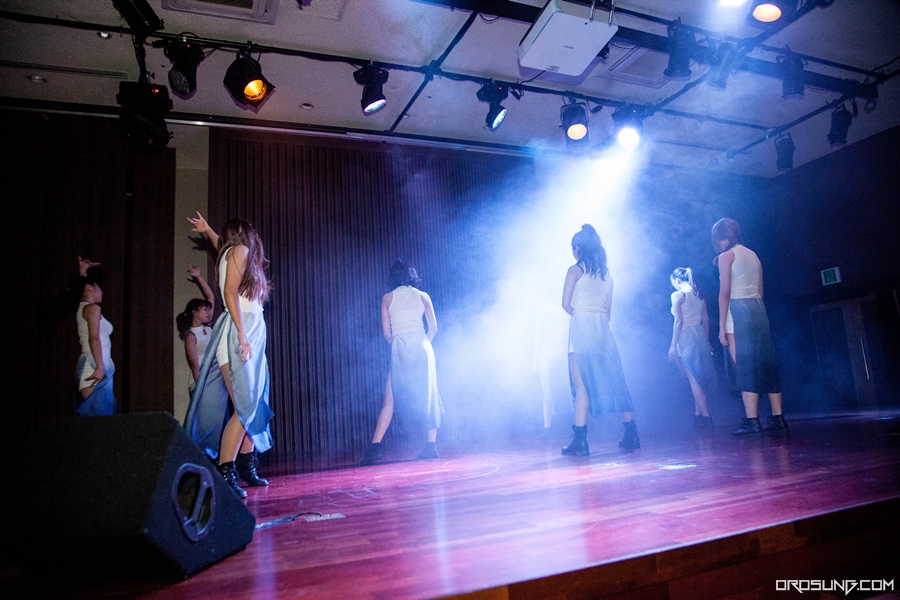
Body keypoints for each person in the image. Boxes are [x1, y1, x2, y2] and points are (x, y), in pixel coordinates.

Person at [184, 213, 274, 497]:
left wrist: (207, 230)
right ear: (244, 234)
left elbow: (220, 245)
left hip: (249, 331)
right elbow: (229, 292)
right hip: (240, 330)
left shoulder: (231, 252)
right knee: (245, 407)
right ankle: (226, 470)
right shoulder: (240, 251)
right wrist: (242, 335)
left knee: (252, 405)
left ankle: (246, 464)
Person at [561, 225, 638, 455]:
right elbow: (608, 310)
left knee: (581, 385)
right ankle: (632, 433)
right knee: (617, 380)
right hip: (603, 328)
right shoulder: (607, 275)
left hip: (582, 327)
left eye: (573, 248)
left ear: (578, 248)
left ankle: (581, 440)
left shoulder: (575, 271)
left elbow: (565, 304)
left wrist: (581, 313)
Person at [360, 260, 442, 465]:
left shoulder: (387, 298)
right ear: (412, 274)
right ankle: (431, 445)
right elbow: (434, 329)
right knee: (430, 395)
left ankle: (375, 448)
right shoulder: (423, 296)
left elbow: (387, 334)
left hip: (400, 348)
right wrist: (422, 345)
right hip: (423, 349)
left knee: (390, 397)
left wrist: (401, 347)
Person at [712, 218, 787, 435]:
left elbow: (724, 293)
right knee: (767, 364)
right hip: (758, 309)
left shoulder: (727, 256)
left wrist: (721, 327)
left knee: (744, 367)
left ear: (721, 237)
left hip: (737, 310)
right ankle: (778, 417)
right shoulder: (753, 255)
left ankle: (752, 420)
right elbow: (760, 291)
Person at [667, 267, 716, 430]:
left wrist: (673, 345)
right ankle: (698, 415)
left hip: (686, 337)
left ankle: (706, 417)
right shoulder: (699, 294)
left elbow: (678, 322)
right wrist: (706, 340)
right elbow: (706, 319)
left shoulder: (678, 295)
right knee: (698, 376)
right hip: (699, 334)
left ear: (677, 280)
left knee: (693, 378)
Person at [70, 257, 118, 416]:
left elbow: (82, 287)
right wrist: (100, 366)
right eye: (98, 287)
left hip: (99, 364)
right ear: (89, 288)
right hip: (94, 365)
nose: (102, 291)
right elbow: (94, 337)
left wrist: (83, 272)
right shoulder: (92, 308)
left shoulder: (84, 307)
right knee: (97, 418)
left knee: (102, 418)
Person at [533, 303, 573, 437]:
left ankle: (548, 427)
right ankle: (571, 425)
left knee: (547, 390)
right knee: (564, 389)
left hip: (547, 352)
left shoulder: (542, 311)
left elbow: (538, 336)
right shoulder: (563, 312)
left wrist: (535, 360)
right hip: (561, 351)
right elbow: (566, 336)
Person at [176, 265, 215, 395]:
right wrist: (200, 389)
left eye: (209, 310)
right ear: (195, 312)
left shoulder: (208, 327)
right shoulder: (191, 336)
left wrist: (198, 277)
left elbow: (210, 296)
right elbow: (194, 364)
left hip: (212, 381)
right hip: (199, 383)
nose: (208, 313)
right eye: (205, 310)